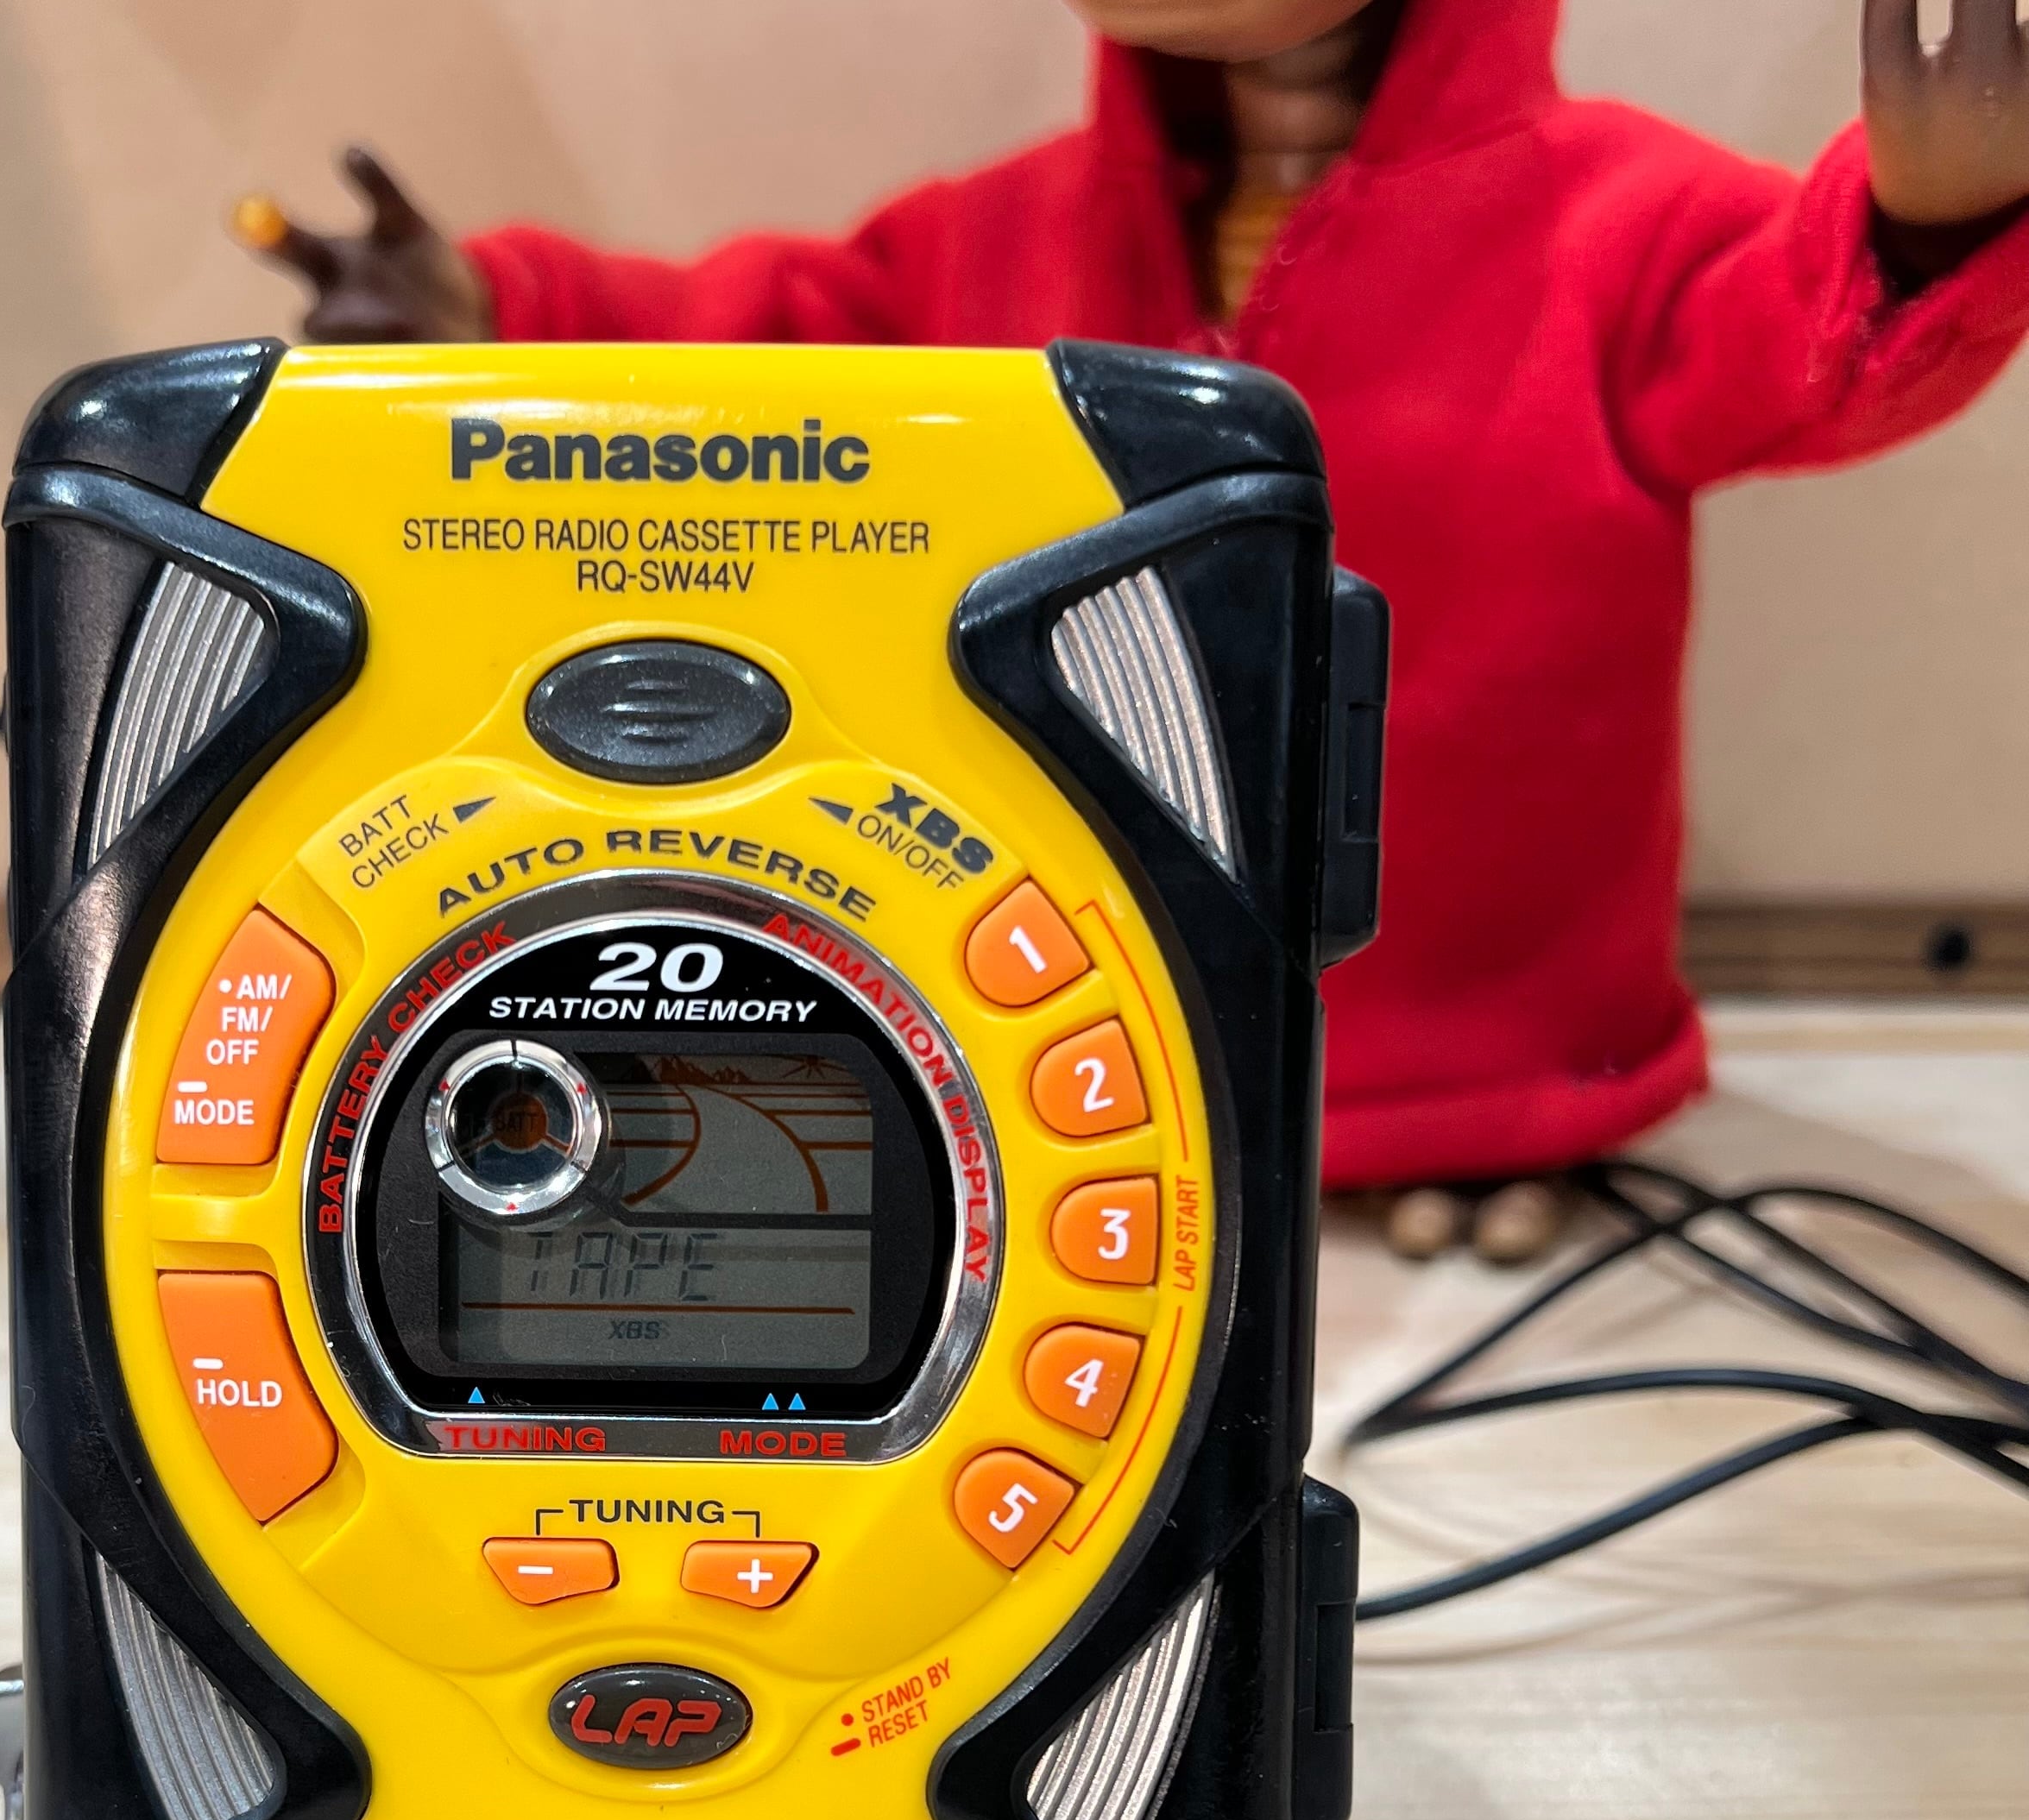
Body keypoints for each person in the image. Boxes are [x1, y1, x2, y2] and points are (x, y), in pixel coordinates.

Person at [231, 0, 2029, 1263]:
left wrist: (1928, 216)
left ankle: (1490, 1123)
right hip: (1089, 1035)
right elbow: (781, 336)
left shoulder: (1612, 222)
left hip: (1490, 1032)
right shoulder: (1011, 237)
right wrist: (504, 307)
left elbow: (1798, 332)